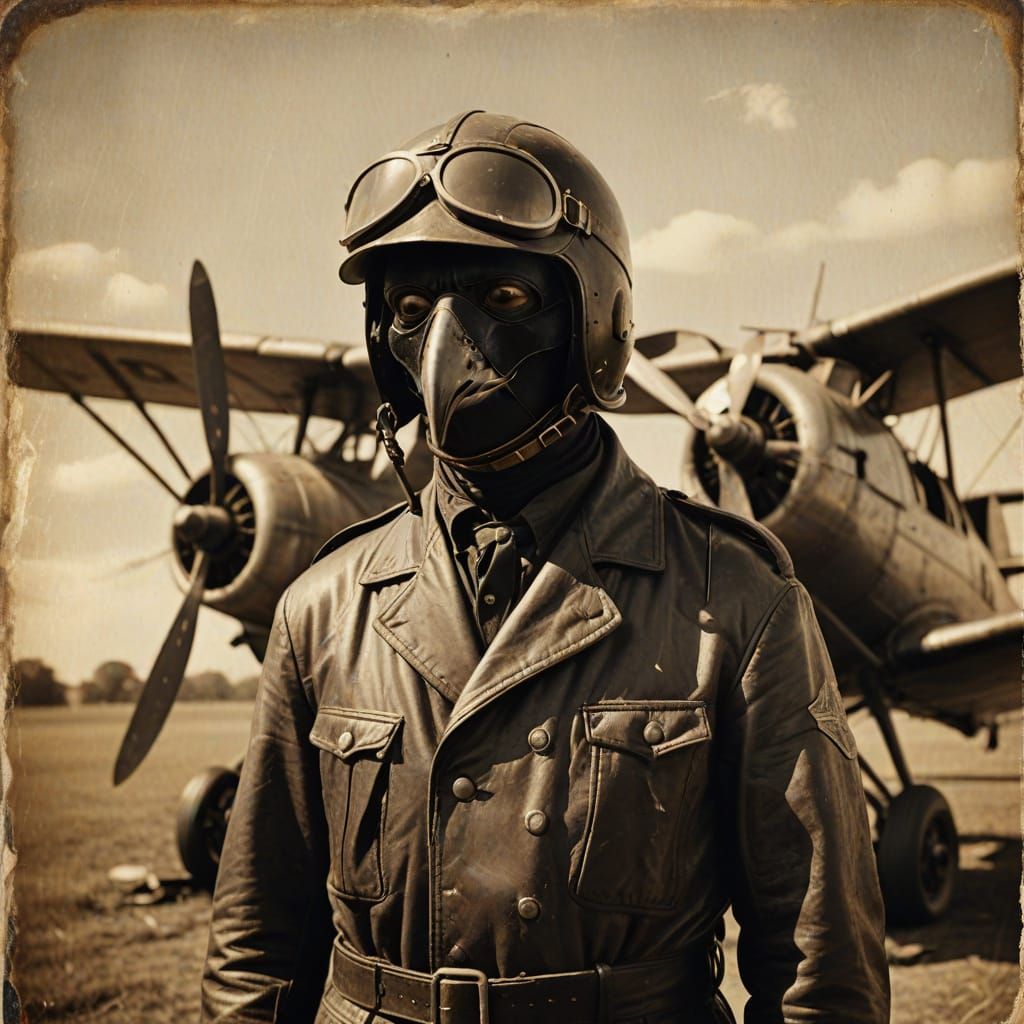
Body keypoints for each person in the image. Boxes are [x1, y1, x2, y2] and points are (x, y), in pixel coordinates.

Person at [201, 111, 890, 1024]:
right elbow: (257, 948)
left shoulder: (738, 598)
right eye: (409, 310)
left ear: (594, 321)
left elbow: (818, 974)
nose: (445, 341)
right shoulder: (321, 608)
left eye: (504, 297)